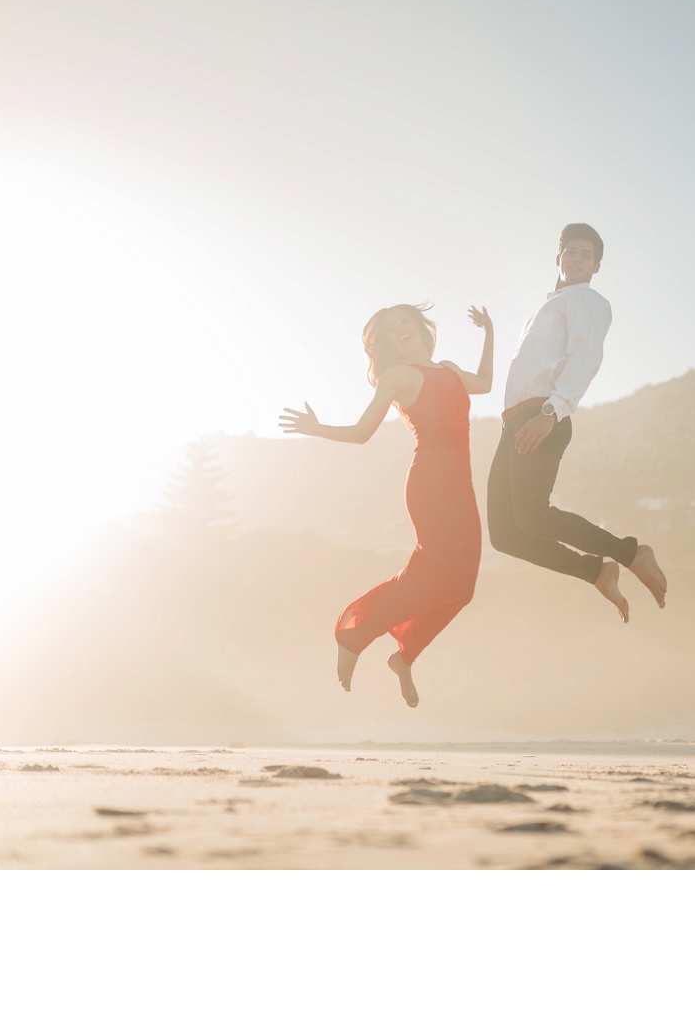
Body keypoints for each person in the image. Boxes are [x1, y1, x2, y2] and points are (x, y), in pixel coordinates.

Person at [280, 303, 492, 707]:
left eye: (405, 322)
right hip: (430, 482)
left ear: (421, 328)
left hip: (461, 484)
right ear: (389, 345)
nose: (401, 330)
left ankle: (404, 656)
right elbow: (362, 433)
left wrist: (490, 332)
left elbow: (483, 382)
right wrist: (316, 428)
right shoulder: (397, 377)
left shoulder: (448, 370)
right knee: (432, 569)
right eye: (392, 330)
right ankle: (355, 633)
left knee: (462, 586)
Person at [488, 223, 666, 621]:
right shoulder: (546, 307)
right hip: (514, 423)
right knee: (505, 533)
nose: (577, 258)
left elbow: (586, 359)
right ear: (558, 257)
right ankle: (596, 570)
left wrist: (551, 413)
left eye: (586, 255)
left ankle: (631, 553)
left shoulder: (587, 301)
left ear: (596, 265)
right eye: (571, 251)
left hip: (543, 416)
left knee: (532, 515)